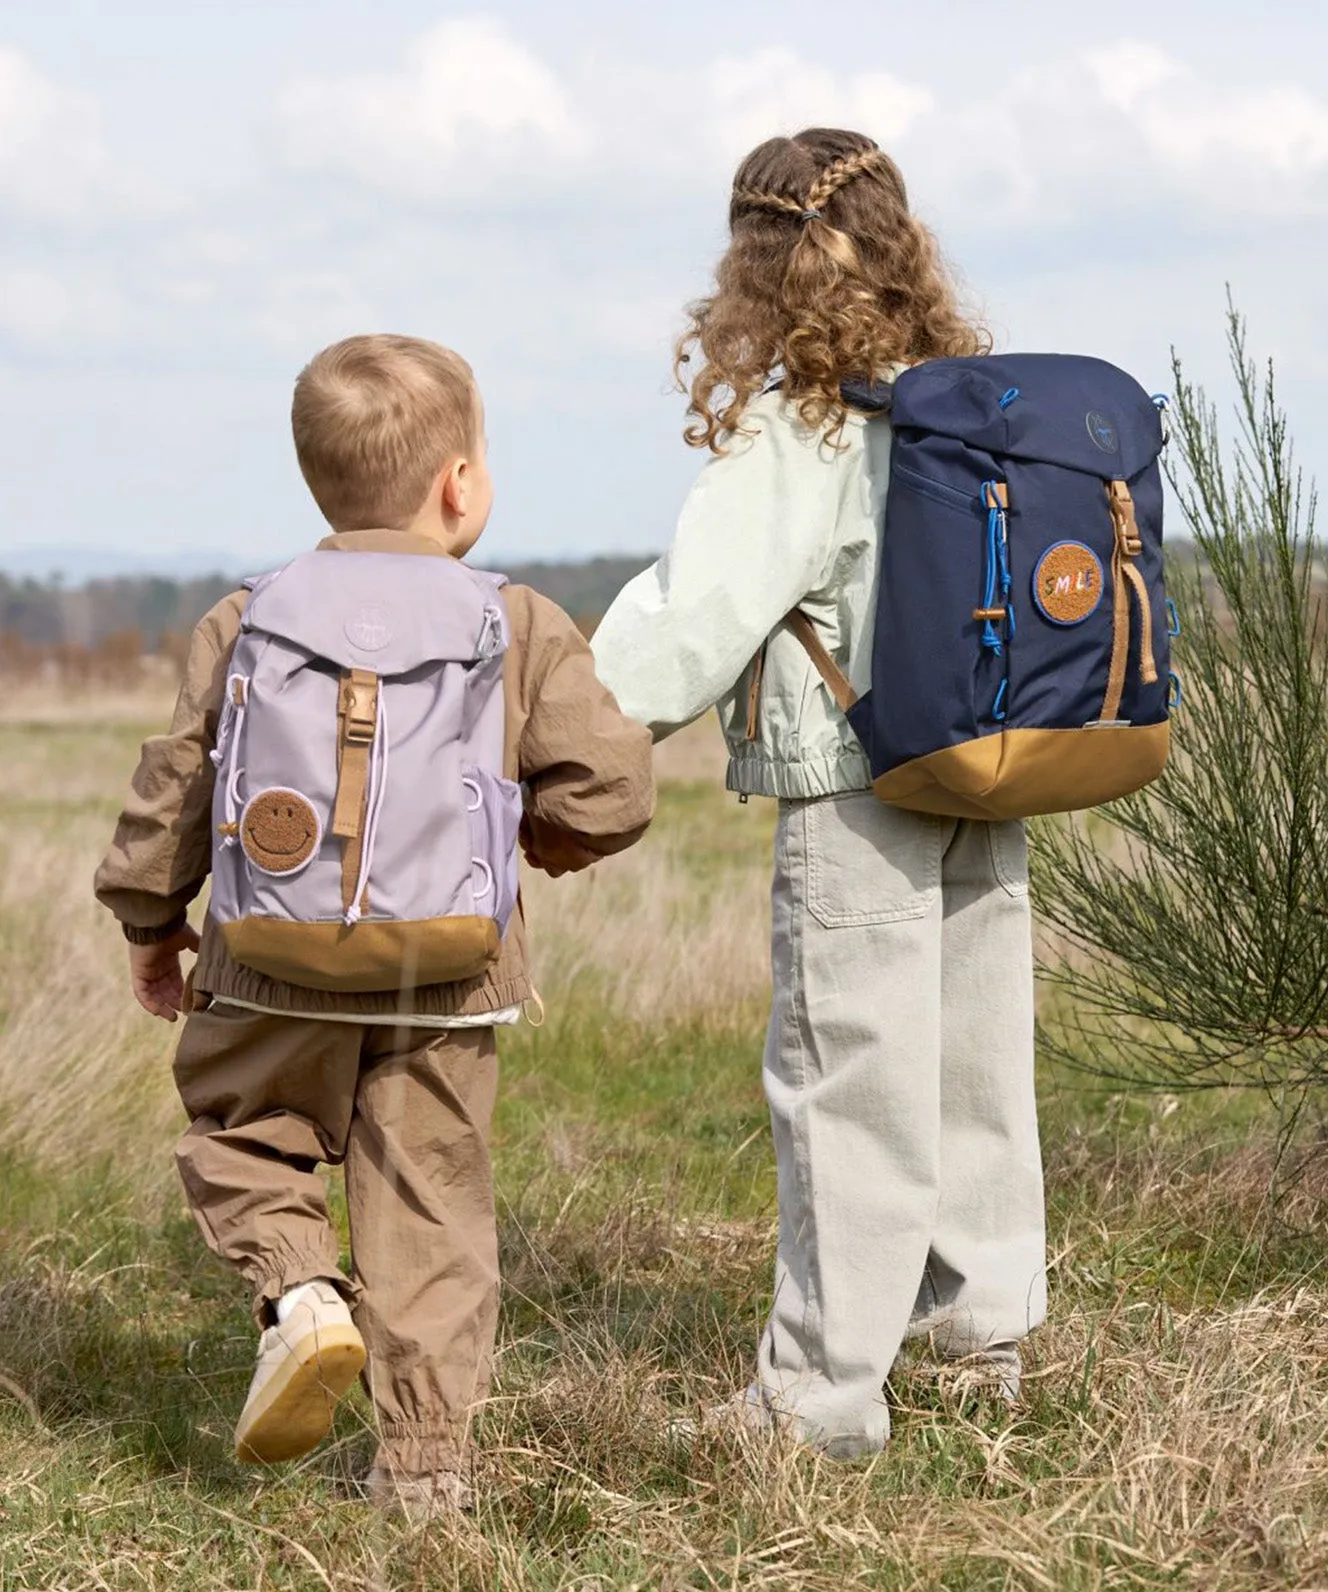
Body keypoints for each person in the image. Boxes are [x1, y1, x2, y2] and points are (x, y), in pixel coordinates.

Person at [94, 334, 655, 1510]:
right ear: (461, 483)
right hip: (446, 975)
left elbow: (176, 783)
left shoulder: (247, 614)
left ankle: (301, 1295)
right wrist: (522, 843)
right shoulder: (517, 619)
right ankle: (424, 1470)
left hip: (263, 960)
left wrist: (152, 919)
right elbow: (614, 787)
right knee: (431, 1200)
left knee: (243, 1135)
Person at [589, 129, 1044, 1459]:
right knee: (972, 1074)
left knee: (848, 1085)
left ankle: (814, 1409)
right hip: (987, 770)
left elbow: (690, 621)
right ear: (907, 244)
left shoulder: (806, 423)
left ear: (753, 259)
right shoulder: (971, 404)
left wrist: (545, 727)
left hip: (857, 782)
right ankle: (980, 1355)